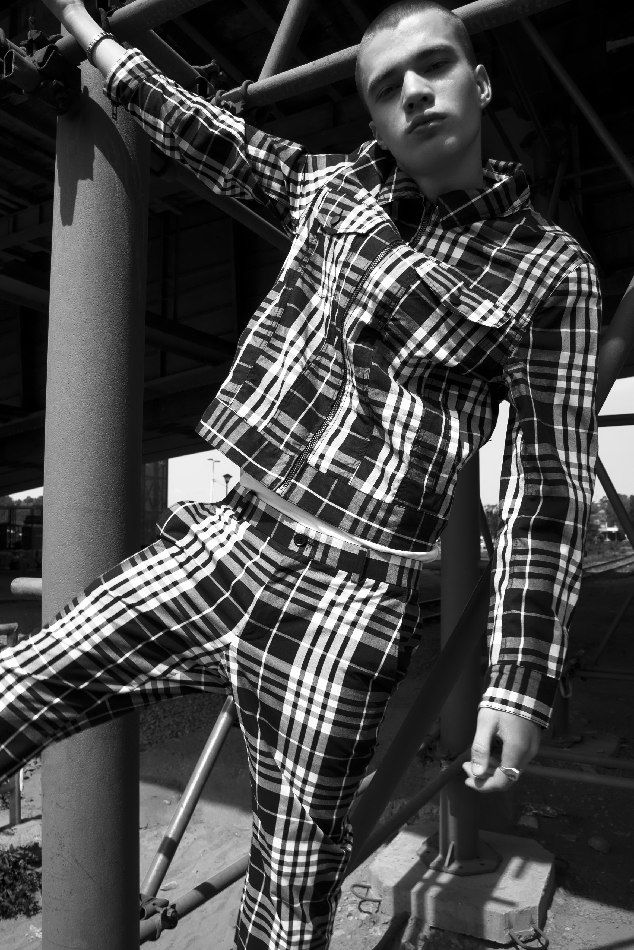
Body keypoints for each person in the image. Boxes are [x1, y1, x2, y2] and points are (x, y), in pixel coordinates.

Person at [2, 1, 599, 947]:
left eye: (434, 66)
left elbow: (549, 485)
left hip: (348, 604)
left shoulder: (551, 269)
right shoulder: (335, 191)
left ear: (480, 83)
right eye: (387, 87)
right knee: (21, 682)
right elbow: (207, 134)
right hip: (226, 541)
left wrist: (518, 683)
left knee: (289, 902)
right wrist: (87, 26)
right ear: (376, 122)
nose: (414, 92)